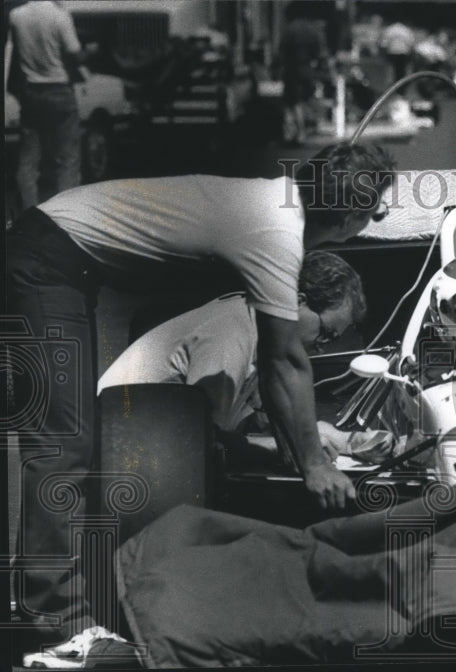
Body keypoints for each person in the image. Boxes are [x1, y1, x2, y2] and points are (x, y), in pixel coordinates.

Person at [6, 142, 395, 666]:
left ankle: (40, 595)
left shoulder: (275, 208)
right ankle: (56, 625)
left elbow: (277, 369)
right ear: (349, 216)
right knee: (62, 442)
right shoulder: (275, 233)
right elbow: (285, 361)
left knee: (66, 437)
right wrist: (316, 466)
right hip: (47, 256)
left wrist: (302, 450)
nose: (382, 216)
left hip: (64, 255)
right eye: (376, 208)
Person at [97, 250, 366, 439]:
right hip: (117, 456)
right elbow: (213, 442)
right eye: (326, 333)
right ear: (296, 302)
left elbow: (246, 422)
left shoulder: (256, 331)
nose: (323, 346)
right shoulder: (232, 331)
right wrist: (280, 450)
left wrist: (334, 437)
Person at [7, 0, 85, 210]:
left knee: (29, 159)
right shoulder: (60, 15)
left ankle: (28, 214)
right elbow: (75, 53)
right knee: (67, 158)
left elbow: (16, 54)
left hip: (31, 91)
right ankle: (65, 214)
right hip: (59, 90)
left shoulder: (16, 15)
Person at [279, 1, 328, 145]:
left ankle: (295, 132)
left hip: (291, 70)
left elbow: (282, 52)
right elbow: (321, 54)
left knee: (292, 102)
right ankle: (303, 130)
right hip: (307, 70)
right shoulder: (313, 30)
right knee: (305, 100)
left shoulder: (289, 30)